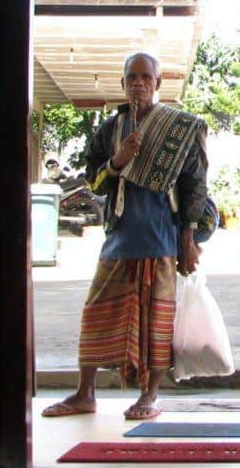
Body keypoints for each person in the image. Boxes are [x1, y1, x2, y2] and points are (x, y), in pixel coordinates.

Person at [42, 52, 208, 420]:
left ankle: (149, 396)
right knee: (96, 313)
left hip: (161, 238)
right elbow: (93, 184)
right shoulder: (109, 130)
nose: (138, 83)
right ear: (123, 84)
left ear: (158, 84)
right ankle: (85, 392)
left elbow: (195, 184)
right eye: (131, 77)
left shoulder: (178, 127)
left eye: (146, 77)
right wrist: (118, 161)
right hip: (120, 238)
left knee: (158, 321)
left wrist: (188, 238)